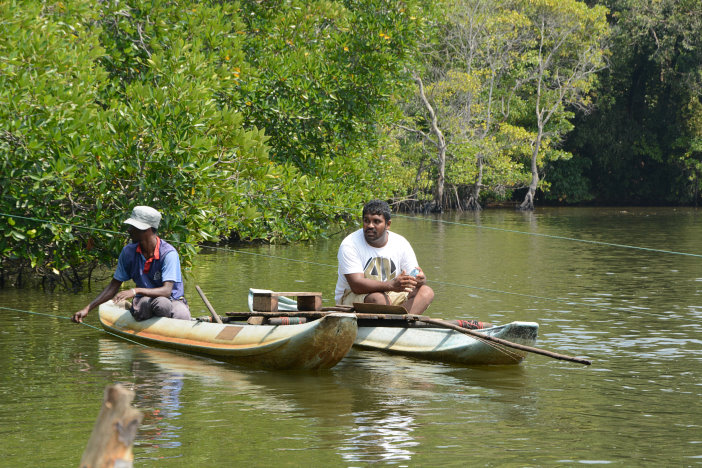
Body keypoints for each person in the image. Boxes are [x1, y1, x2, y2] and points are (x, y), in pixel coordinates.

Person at [72, 206, 191, 323]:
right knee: (161, 304)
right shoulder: (128, 252)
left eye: (132, 227)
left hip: (173, 300)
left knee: (180, 313)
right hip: (145, 301)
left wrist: (135, 291)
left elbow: (166, 291)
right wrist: (87, 309)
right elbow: (113, 286)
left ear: (146, 230)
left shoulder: (168, 253)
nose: (129, 230)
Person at [335, 199, 434, 314]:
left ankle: (397, 323)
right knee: (379, 299)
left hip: (390, 293)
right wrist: (391, 285)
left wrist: (420, 280)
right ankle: (395, 322)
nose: (370, 226)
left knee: (426, 292)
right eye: (366, 221)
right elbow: (356, 285)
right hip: (354, 297)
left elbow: (414, 276)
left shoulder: (400, 242)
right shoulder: (350, 244)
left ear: (388, 224)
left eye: (376, 221)